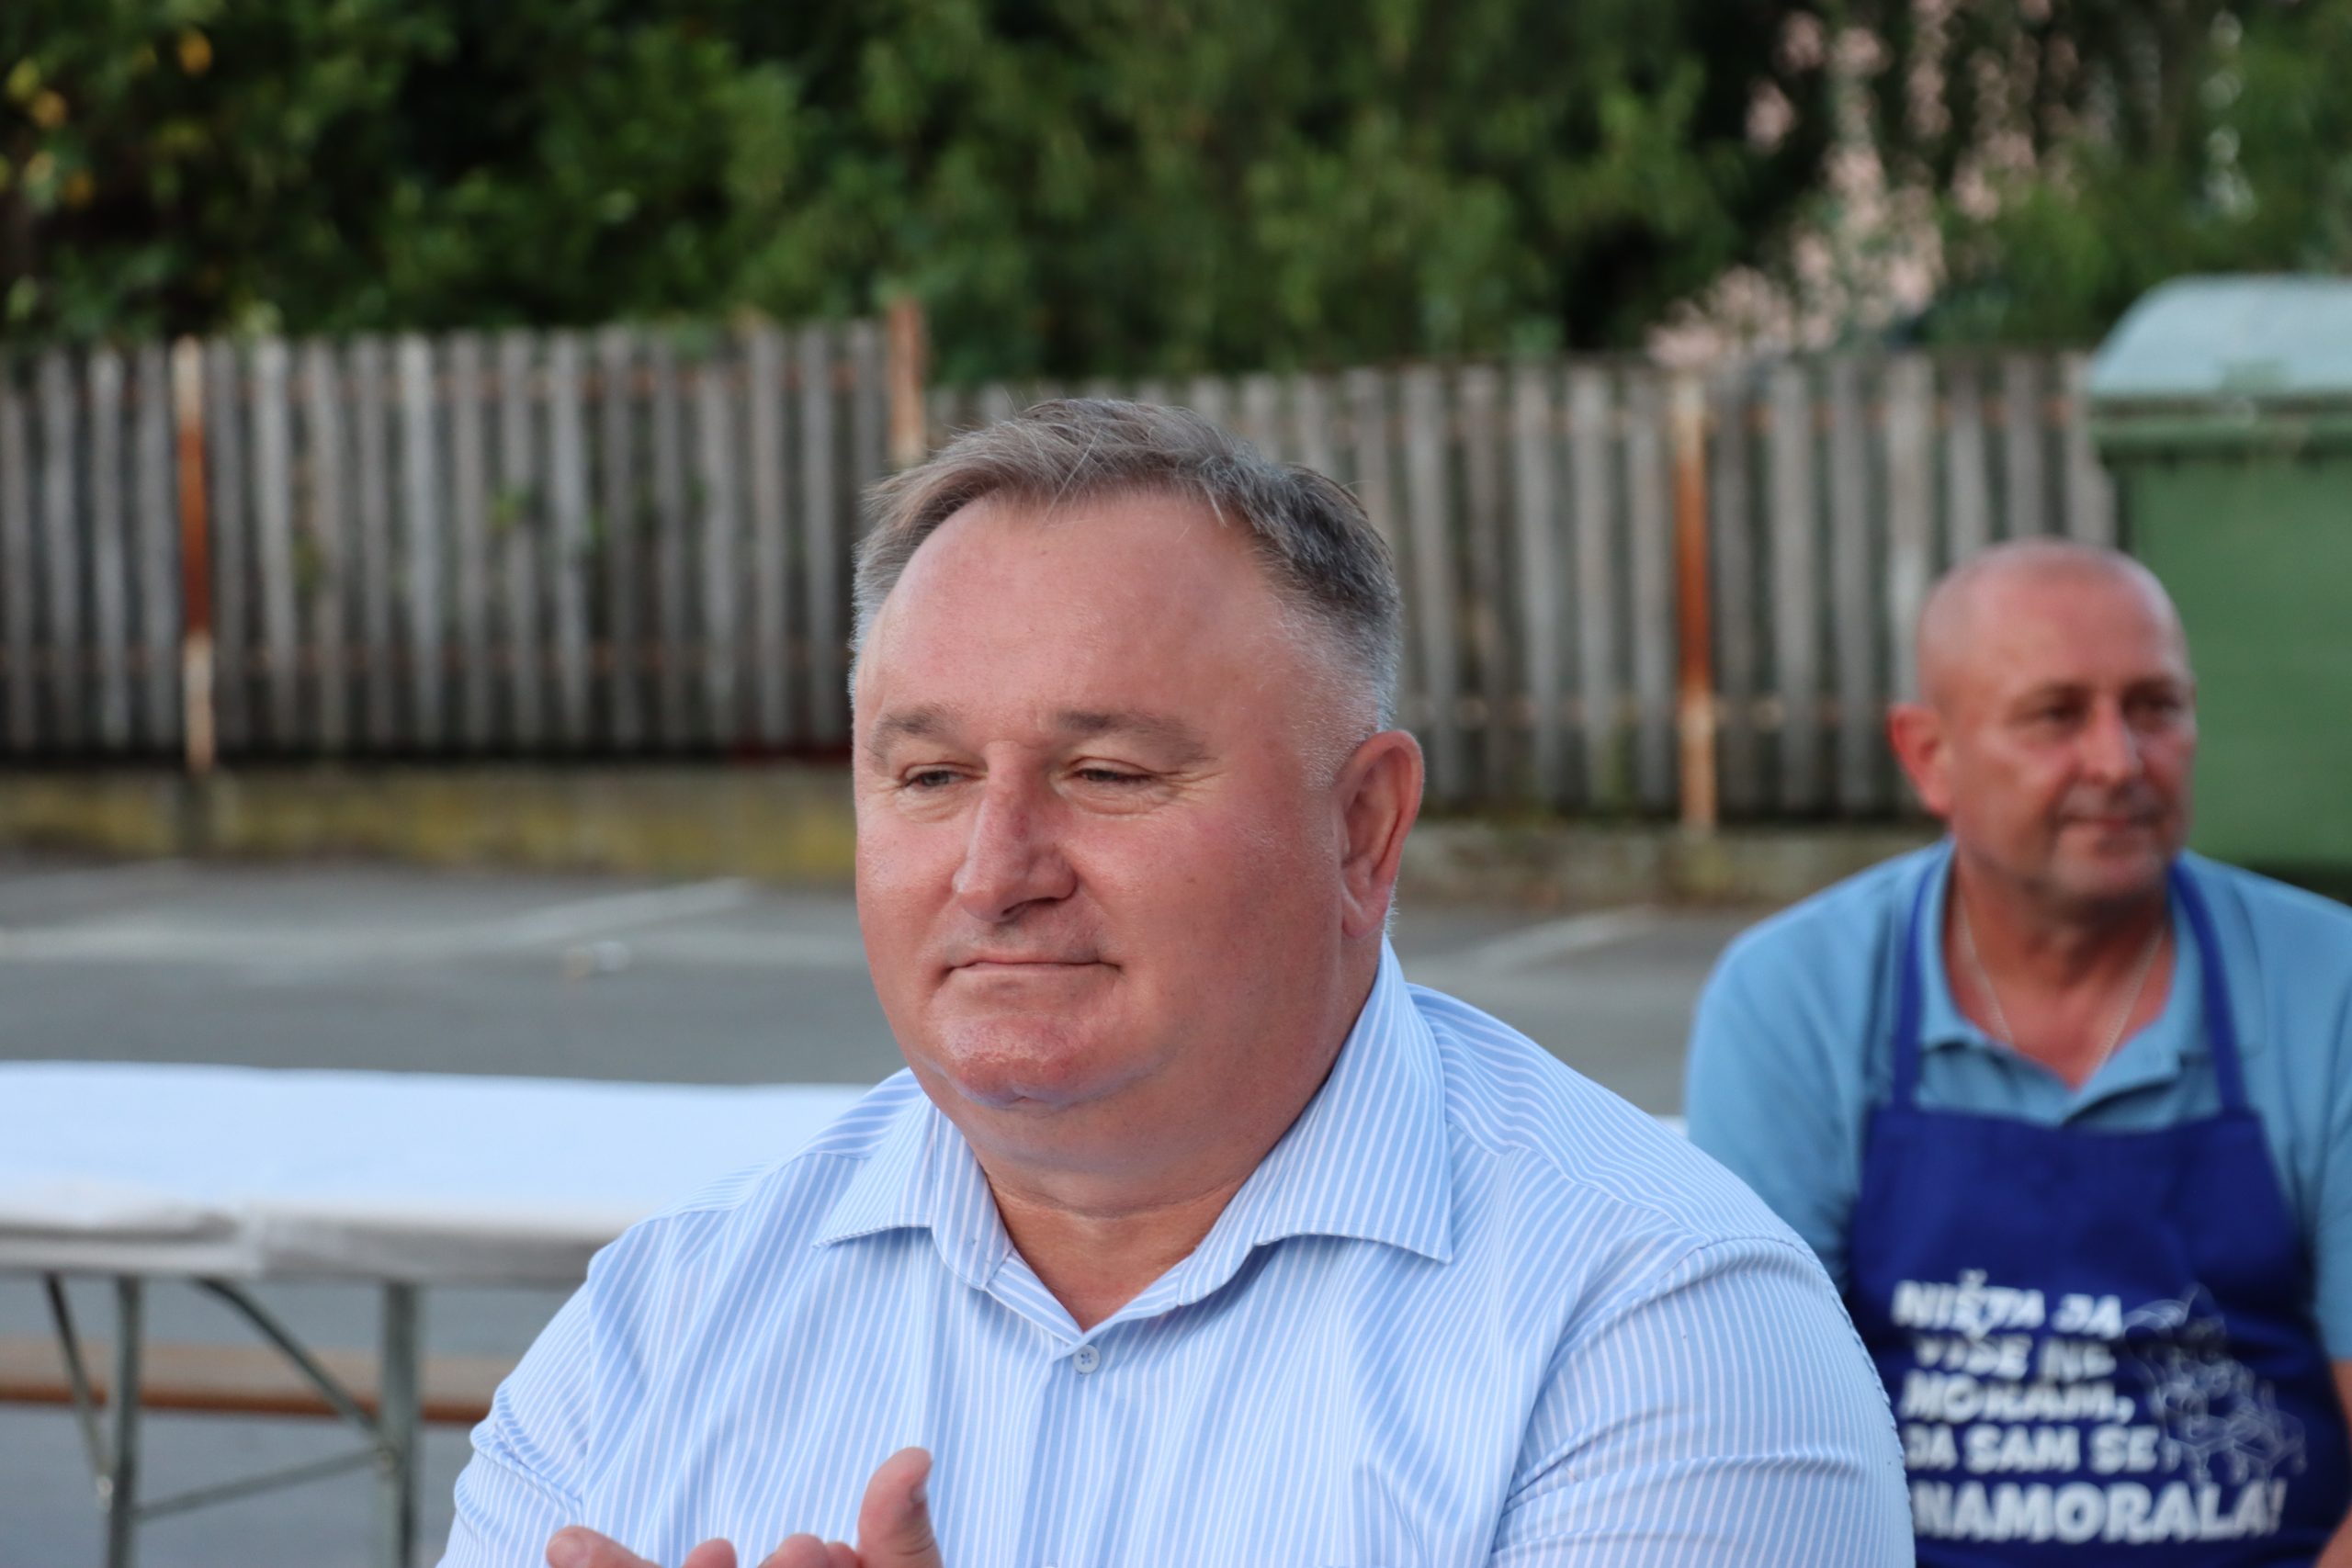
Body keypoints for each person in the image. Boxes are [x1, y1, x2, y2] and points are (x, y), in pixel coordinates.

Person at [440, 400, 1907, 1568]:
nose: (996, 868)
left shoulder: (1662, 1330)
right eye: (932, 774)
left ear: (1363, 827)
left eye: (1107, 772)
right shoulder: (663, 1321)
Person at [1685, 539, 2352, 1563]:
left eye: (2155, 707)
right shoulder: (1797, 996)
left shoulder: (2328, 987)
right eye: (2055, 715)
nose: (2117, 761)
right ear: (1928, 756)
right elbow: (1752, 1430)